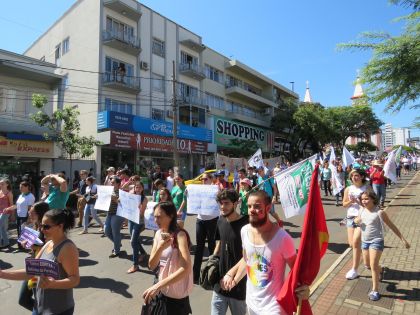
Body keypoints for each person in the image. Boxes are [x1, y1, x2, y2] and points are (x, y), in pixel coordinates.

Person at [223, 191, 309, 315]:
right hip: (251, 303)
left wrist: (304, 289)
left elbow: (296, 271)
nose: (252, 210)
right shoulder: (244, 231)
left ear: (268, 208)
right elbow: (248, 260)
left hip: (274, 307)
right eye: (249, 206)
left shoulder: (283, 238)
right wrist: (232, 275)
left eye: (257, 206)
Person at [0, 208, 80, 315]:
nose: (42, 230)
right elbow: (31, 272)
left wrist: (54, 283)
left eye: (46, 227)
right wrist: (2, 274)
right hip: (39, 307)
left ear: (60, 226)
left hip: (58, 310)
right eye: (41, 226)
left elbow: (75, 279)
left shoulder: (68, 248)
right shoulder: (48, 244)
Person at [354, 189, 410, 301]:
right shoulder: (361, 211)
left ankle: (375, 290)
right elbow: (357, 221)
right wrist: (356, 221)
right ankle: (381, 270)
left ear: (373, 199)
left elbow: (392, 225)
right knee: (367, 265)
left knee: (373, 265)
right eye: (362, 199)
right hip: (365, 241)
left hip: (377, 240)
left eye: (366, 198)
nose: (364, 201)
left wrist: (403, 239)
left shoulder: (379, 212)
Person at [143, 202, 192, 315]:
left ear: (171, 216)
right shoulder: (158, 234)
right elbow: (151, 265)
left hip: (176, 294)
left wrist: (158, 286)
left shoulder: (180, 235)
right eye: (154, 216)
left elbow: (186, 268)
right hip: (161, 291)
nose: (156, 220)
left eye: (159, 216)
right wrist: (160, 248)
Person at [211, 189, 248, 315]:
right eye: (220, 203)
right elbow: (220, 242)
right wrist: (212, 260)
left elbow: (249, 256)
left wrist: (234, 278)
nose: (222, 207)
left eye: (226, 203)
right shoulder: (220, 221)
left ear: (236, 203)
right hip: (219, 284)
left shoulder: (246, 224)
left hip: (239, 285)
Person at [17, 201, 49, 311]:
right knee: (23, 299)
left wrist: (33, 245)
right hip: (33, 265)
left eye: (32, 212)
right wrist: (29, 245)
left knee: (36, 298)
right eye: (29, 212)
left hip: (41, 268)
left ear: (40, 214)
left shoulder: (47, 228)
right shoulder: (35, 225)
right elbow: (36, 246)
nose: (29, 214)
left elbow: (50, 247)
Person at [342, 169, 368, 280]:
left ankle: (355, 269)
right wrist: (351, 201)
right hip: (350, 218)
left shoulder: (367, 188)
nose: (354, 178)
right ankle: (367, 257)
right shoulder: (348, 189)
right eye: (352, 176)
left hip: (362, 218)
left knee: (356, 243)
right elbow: (344, 204)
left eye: (356, 175)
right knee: (352, 244)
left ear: (362, 177)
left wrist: (358, 201)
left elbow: (371, 204)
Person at [4, 181, 35, 251]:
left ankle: (26, 247)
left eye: (21, 187)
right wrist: (9, 208)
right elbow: (17, 205)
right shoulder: (21, 195)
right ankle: (21, 247)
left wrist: (29, 219)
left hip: (25, 217)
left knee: (25, 232)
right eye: (20, 187)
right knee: (19, 231)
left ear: (27, 187)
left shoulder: (31, 196)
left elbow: (30, 208)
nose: (20, 188)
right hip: (19, 216)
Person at [127, 181, 148, 273]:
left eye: (139, 187)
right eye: (136, 187)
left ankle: (135, 265)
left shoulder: (144, 199)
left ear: (142, 188)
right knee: (135, 240)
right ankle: (143, 253)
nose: (137, 189)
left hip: (138, 221)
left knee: (132, 241)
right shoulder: (131, 196)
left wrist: (138, 207)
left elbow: (142, 214)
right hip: (131, 220)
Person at [104, 176, 125, 258]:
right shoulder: (109, 191)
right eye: (111, 182)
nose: (111, 184)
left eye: (113, 183)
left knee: (115, 232)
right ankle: (118, 243)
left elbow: (122, 203)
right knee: (106, 231)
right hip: (109, 213)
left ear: (118, 184)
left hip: (117, 214)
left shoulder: (121, 192)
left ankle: (117, 251)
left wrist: (114, 198)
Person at [0, 178, 14, 249]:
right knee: (2, 228)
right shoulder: (0, 192)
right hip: (0, 212)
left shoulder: (9, 193)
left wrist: (12, 215)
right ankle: (6, 243)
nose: (1, 185)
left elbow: (12, 205)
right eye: (0, 183)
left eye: (2, 184)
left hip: (6, 212)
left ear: (7, 184)